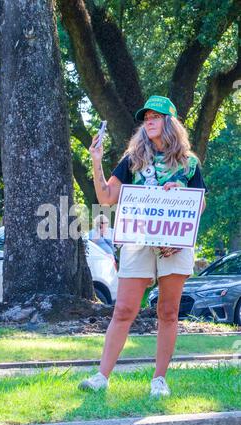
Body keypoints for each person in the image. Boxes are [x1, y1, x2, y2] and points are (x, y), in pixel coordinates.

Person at [79, 95, 208, 397]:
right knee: (123, 309)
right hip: (137, 242)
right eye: (146, 117)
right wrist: (96, 161)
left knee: (168, 311)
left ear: (169, 122)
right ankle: (101, 377)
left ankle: (159, 380)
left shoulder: (190, 164)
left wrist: (179, 194)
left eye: (155, 116)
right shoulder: (133, 159)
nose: (148, 121)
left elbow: (199, 204)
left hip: (174, 245)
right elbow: (107, 198)